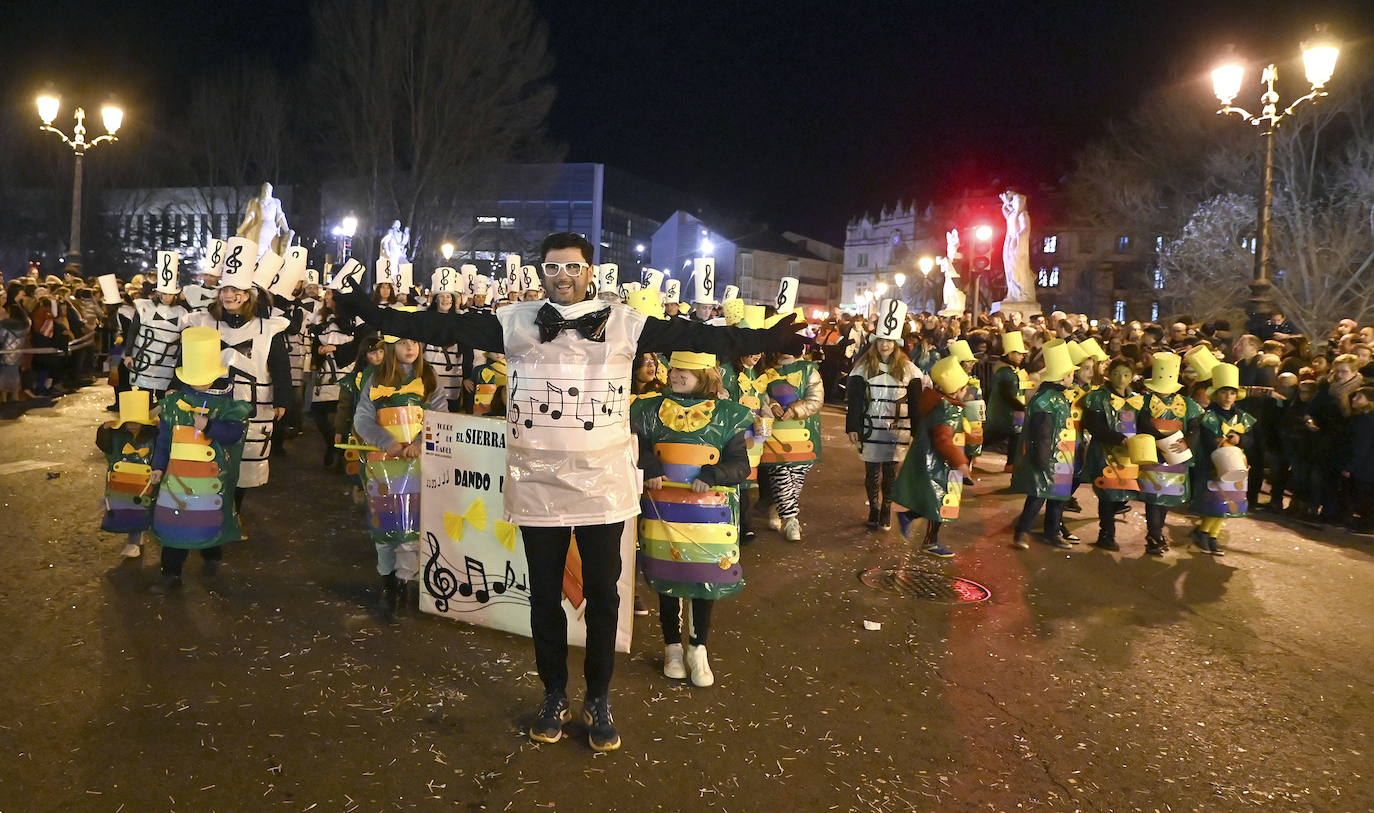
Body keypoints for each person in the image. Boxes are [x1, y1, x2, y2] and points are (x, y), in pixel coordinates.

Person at [336, 231, 802, 753]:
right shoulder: (513, 321)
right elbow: (437, 324)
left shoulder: (627, 322)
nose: (563, 277)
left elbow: (701, 337)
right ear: (542, 273)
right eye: (553, 269)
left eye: (573, 268)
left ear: (590, 271)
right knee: (543, 597)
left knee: (604, 596)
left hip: (603, 486)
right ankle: (554, 691)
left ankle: (598, 697)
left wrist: (766, 340)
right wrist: (375, 316)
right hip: (538, 484)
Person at [631, 351, 752, 687]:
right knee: (667, 578)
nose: (675, 375)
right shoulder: (649, 410)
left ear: (705, 375)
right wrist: (650, 466)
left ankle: (698, 649)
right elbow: (634, 446)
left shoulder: (727, 416)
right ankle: (672, 646)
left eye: (685, 370)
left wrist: (714, 474)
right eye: (675, 369)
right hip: (663, 513)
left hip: (708, 519)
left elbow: (740, 466)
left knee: (703, 582)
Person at [183, 246, 292, 526]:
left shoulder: (268, 328)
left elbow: (280, 366)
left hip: (253, 404)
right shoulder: (205, 321)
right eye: (225, 290)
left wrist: (283, 400)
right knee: (209, 456)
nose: (229, 295)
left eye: (236, 291)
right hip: (211, 401)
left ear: (248, 295)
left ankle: (233, 511)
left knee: (243, 461)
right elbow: (186, 356)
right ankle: (209, 510)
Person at [147, 327, 253, 593]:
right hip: (176, 478)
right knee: (174, 522)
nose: (199, 383)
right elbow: (163, 439)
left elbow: (235, 433)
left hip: (209, 479)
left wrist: (210, 426)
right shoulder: (175, 404)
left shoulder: (227, 404)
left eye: (204, 378)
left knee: (206, 517)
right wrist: (158, 467)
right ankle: (171, 572)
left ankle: (211, 554)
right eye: (193, 378)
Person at [352, 334, 447, 620]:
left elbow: (440, 415)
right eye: (404, 342)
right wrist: (388, 443)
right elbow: (362, 419)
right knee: (386, 526)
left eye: (416, 343)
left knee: (411, 526)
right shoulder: (375, 378)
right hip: (383, 464)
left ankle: (405, 583)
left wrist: (420, 443)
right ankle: (387, 580)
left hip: (418, 464)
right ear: (392, 347)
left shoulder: (429, 377)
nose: (411, 348)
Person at [845, 305, 921, 530]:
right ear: (875, 343)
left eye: (889, 340)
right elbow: (855, 401)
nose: (885, 344)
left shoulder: (910, 370)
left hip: (898, 430)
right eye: (880, 340)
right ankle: (874, 509)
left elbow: (916, 404)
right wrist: (853, 427)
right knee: (872, 472)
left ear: (896, 343)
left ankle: (886, 508)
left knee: (890, 472)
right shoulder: (862, 368)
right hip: (871, 427)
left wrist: (918, 431)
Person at [891, 356, 973, 558]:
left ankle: (909, 517)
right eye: (964, 387)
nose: (967, 392)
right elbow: (945, 440)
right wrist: (961, 463)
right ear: (956, 390)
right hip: (940, 465)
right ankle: (930, 541)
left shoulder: (939, 403)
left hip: (939, 462)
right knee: (941, 504)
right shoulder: (948, 410)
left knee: (936, 503)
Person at [1011, 341, 1079, 550]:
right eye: (1070, 374)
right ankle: (1023, 531)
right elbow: (1042, 433)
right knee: (1038, 496)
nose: (1073, 378)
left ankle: (1051, 532)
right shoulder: (1047, 401)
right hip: (1049, 459)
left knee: (1057, 499)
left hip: (1062, 458)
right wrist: (1042, 459)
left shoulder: (1058, 397)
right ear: (1062, 377)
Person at [1135, 352, 1203, 556]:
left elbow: (1194, 427)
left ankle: (1157, 533)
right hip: (1154, 454)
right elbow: (1143, 423)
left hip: (1175, 455)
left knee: (1167, 497)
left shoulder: (1187, 404)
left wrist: (1186, 444)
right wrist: (1161, 440)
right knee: (1153, 497)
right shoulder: (1145, 402)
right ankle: (1154, 534)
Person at [758, 344, 824, 543]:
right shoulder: (766, 372)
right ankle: (791, 520)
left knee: (796, 477)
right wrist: (772, 404)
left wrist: (796, 409)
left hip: (804, 433)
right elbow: (760, 393)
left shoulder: (809, 369)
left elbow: (816, 398)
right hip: (776, 434)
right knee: (780, 473)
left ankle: (778, 508)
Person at [1190, 363, 1257, 555]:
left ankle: (1211, 535)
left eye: (1232, 393)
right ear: (1216, 394)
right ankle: (1204, 533)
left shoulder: (1243, 417)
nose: (1228, 397)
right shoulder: (1208, 416)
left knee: (1229, 503)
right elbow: (1207, 442)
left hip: (1236, 465)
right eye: (1224, 392)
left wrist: (1241, 439)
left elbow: (1252, 441)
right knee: (1216, 502)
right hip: (1213, 466)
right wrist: (1222, 443)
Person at [1079, 357, 1143, 551]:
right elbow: (1095, 426)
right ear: (1108, 374)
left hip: (1129, 455)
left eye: (1125, 374)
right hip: (1106, 453)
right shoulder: (1098, 397)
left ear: (1132, 376)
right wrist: (1118, 439)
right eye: (1116, 374)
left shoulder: (1136, 400)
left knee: (1126, 492)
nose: (1121, 379)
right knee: (1107, 494)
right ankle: (1106, 534)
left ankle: (1111, 519)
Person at [95, 389, 160, 558]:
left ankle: (135, 538)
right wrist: (104, 430)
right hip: (123, 482)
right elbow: (104, 445)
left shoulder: (155, 434)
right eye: (128, 421)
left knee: (144, 509)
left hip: (146, 481)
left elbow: (163, 451)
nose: (132, 425)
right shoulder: (117, 435)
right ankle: (134, 539)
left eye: (136, 421)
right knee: (129, 510)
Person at [985, 330, 1030, 472]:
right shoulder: (1005, 373)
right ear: (1009, 354)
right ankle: (969, 454)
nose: (1021, 356)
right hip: (1003, 414)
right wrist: (1022, 407)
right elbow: (1007, 395)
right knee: (995, 435)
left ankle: (1011, 464)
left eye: (1022, 354)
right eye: (1018, 353)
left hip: (1011, 413)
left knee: (1014, 436)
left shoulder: (1011, 370)